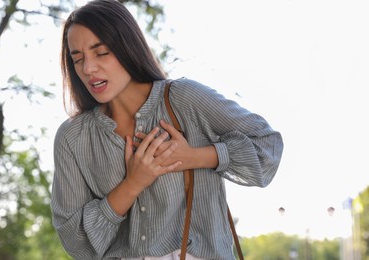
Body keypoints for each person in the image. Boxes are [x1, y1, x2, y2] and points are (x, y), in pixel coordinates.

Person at [50, 0, 284, 259]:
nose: (88, 68)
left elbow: (267, 146)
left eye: (101, 52)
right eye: (77, 59)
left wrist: (196, 156)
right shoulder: (73, 138)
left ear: (126, 46)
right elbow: (75, 243)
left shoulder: (185, 99)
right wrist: (132, 184)